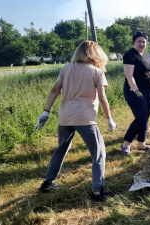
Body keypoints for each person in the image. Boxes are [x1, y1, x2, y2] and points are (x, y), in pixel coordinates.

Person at [35, 40, 116, 202]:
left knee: (61, 148)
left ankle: (48, 182)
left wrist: (46, 111)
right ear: (96, 54)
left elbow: (55, 89)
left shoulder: (66, 68)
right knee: (99, 154)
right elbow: (102, 97)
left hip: (65, 117)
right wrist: (109, 118)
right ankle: (97, 192)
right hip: (85, 118)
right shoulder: (96, 71)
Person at [121, 31, 150, 156]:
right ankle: (126, 144)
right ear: (134, 42)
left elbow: (149, 75)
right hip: (134, 90)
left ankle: (141, 144)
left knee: (145, 118)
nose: (141, 43)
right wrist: (137, 91)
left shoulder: (146, 57)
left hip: (147, 90)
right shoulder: (130, 55)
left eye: (144, 41)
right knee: (140, 118)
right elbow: (129, 76)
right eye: (139, 41)